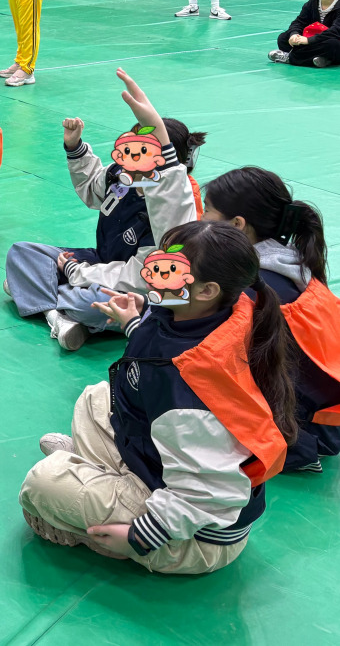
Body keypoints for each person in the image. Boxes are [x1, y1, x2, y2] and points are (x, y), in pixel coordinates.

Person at [18, 220, 298, 574]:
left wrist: (137, 537)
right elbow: (160, 349)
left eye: (168, 270)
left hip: (195, 537)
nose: (151, 275)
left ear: (208, 290)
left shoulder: (192, 389)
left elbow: (212, 493)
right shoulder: (212, 311)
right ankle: (98, 479)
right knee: (95, 399)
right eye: (157, 261)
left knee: (40, 485)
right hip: (163, 465)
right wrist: (134, 321)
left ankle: (98, 525)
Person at [5, 108, 206, 351]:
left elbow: (140, 278)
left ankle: (39, 294)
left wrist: (75, 272)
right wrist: (75, 147)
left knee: (92, 302)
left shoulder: (172, 216)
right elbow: (91, 186)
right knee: (23, 253)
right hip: (101, 261)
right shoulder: (122, 175)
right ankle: (57, 316)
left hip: (136, 287)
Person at [202, 167, 340, 473]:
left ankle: (291, 448)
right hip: (327, 417)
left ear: (237, 224)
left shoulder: (250, 291)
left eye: (208, 210)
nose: (200, 218)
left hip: (301, 426)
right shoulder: (295, 261)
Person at [268, 0, 340, 67]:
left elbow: (335, 31)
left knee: (333, 45)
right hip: (317, 41)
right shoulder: (312, 3)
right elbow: (299, 22)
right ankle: (322, 59)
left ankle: (290, 58)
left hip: (332, 40)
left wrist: (308, 40)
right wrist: (294, 35)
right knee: (283, 38)